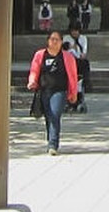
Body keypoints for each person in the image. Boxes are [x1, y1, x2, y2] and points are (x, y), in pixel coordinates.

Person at [27, 27, 79, 155]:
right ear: (48, 41)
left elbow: (72, 76)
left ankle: (53, 144)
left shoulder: (67, 57)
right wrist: (32, 81)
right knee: (48, 116)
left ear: (62, 42)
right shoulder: (40, 55)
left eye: (57, 39)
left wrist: (73, 92)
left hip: (60, 91)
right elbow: (35, 69)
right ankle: (50, 140)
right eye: (52, 39)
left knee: (55, 114)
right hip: (44, 90)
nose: (54, 42)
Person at [66, 21, 90, 112]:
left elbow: (83, 53)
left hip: (79, 62)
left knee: (80, 80)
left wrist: (76, 49)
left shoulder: (83, 39)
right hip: (69, 63)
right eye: (73, 31)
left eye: (76, 31)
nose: (74, 33)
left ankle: (79, 99)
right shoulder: (66, 39)